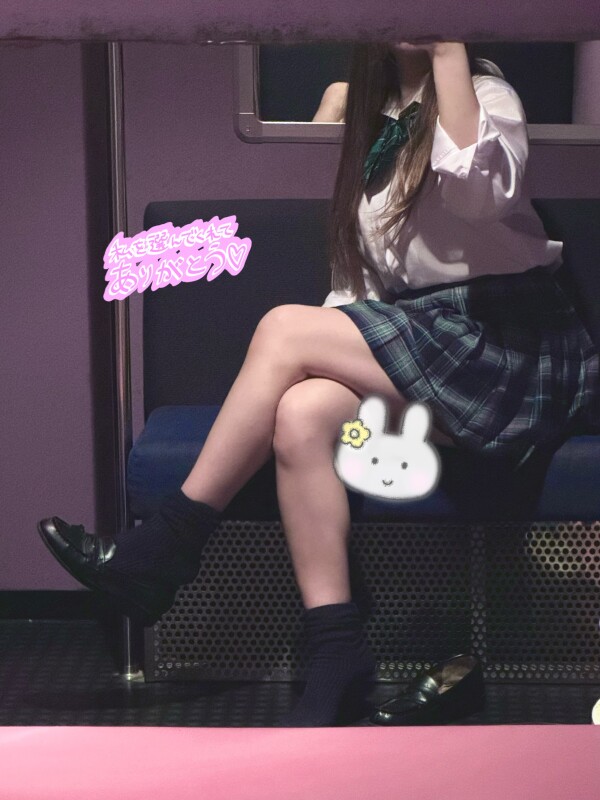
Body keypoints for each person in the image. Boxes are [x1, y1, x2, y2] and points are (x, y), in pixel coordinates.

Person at [38, 40, 600, 729]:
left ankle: (165, 546)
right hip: (423, 337)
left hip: (506, 345)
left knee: (283, 327)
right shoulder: (377, 116)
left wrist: (450, 50)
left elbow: (479, 199)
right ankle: (338, 651)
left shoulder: (487, 95)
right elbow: (362, 278)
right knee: (301, 412)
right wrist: (327, 351)